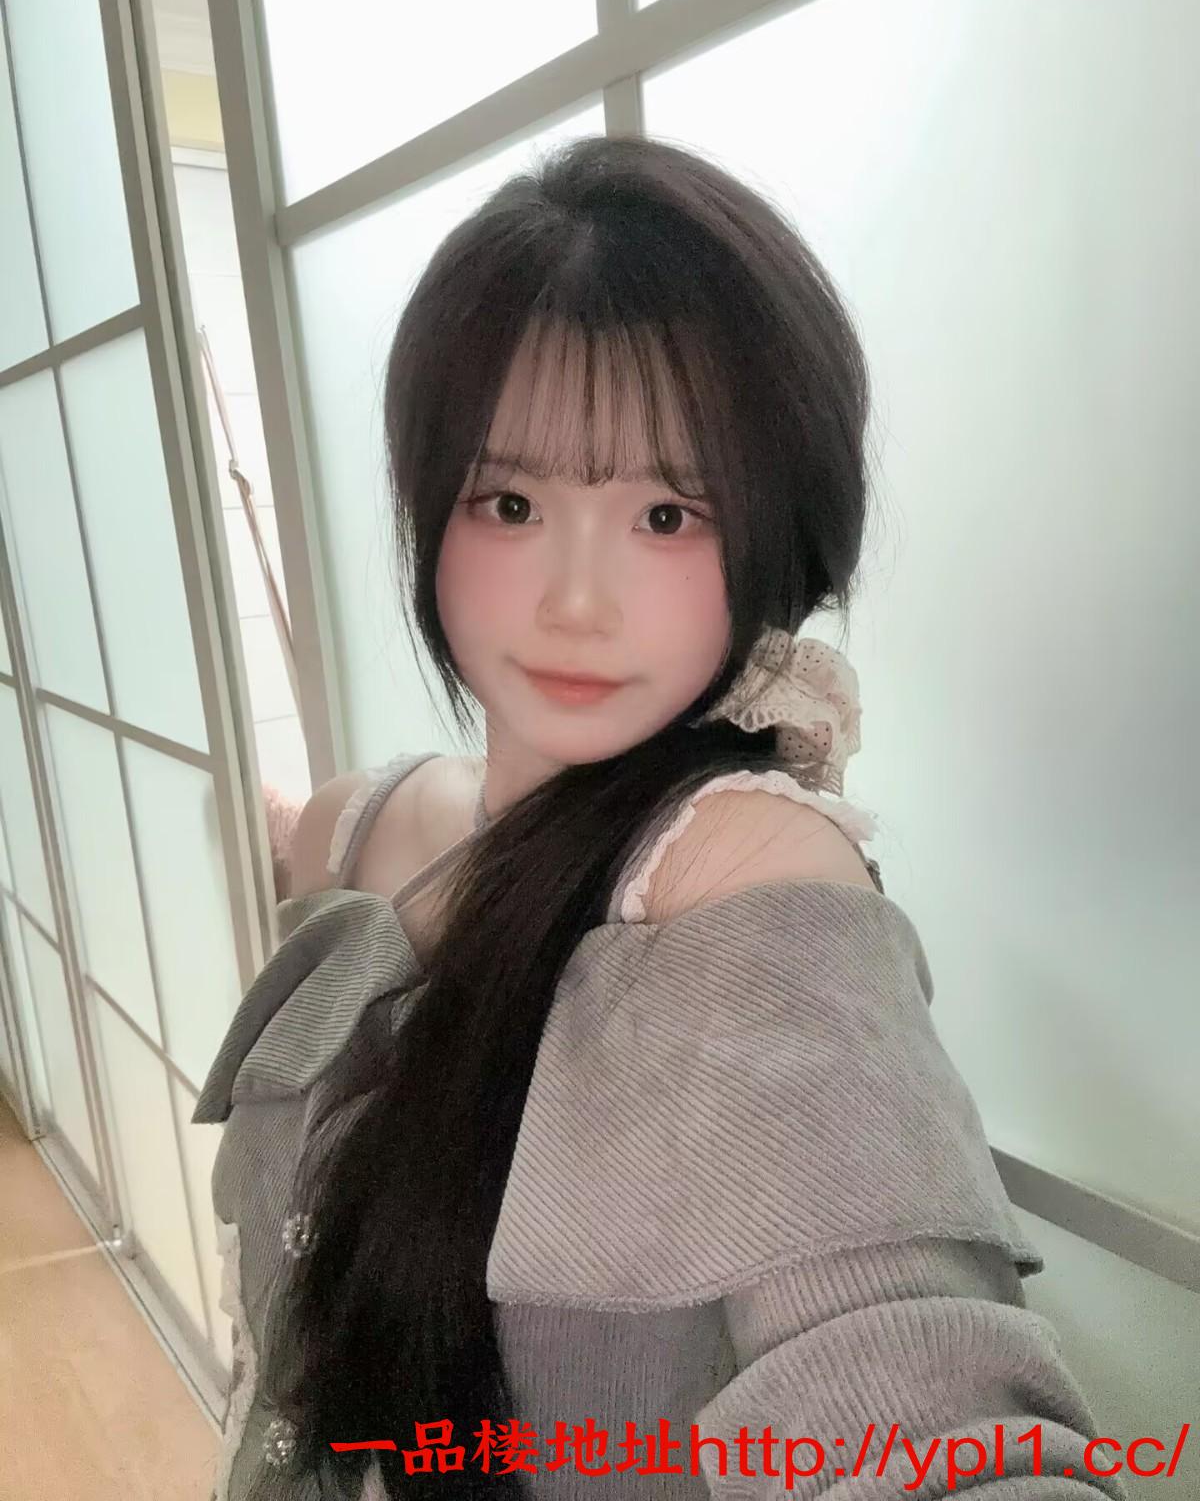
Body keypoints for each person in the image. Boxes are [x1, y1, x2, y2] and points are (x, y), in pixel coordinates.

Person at [193, 136, 1125, 1501]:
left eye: (669, 515)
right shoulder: (360, 828)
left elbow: (913, 1396)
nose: (577, 600)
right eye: (511, 502)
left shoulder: (738, 867)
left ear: (773, 535)